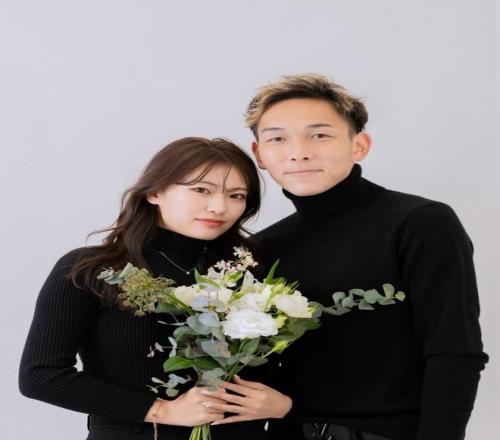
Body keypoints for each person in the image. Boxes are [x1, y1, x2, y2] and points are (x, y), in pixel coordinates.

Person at [239, 74, 488, 440]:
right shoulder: (263, 247)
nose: (298, 152)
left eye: (319, 135)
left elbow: (454, 351)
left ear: (360, 145)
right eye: (277, 138)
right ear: (260, 154)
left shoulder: (420, 223)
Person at [19, 137, 292, 440]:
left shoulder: (251, 271)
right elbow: (41, 375)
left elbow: (288, 365)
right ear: (154, 192)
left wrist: (285, 404)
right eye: (201, 190)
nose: (219, 207)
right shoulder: (91, 269)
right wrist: (161, 410)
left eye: (236, 195)